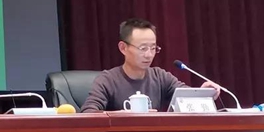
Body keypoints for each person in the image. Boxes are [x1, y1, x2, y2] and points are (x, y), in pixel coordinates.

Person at [81, 18, 220, 112]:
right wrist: (122, 116)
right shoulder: (108, 80)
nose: (149, 55)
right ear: (123, 48)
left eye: (153, 48)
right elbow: (88, 112)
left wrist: (202, 93)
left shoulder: (160, 77)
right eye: (143, 48)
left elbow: (185, 97)